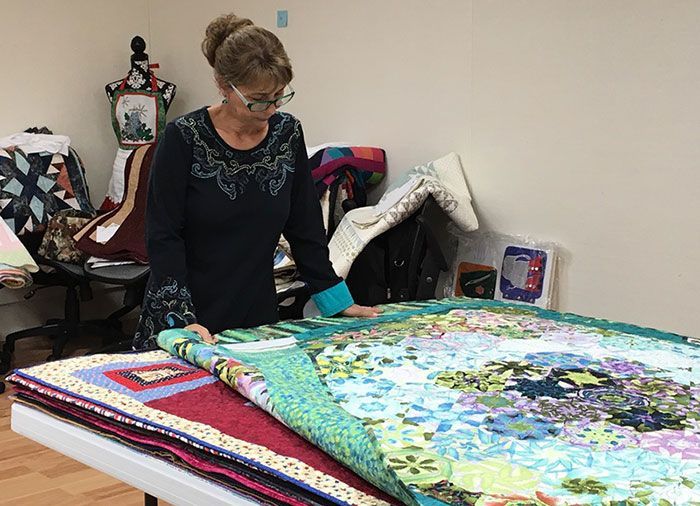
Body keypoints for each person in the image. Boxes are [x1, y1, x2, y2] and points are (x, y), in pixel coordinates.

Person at [133, 13, 380, 350]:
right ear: (223, 85)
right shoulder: (184, 138)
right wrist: (182, 318)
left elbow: (304, 226)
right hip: (187, 316)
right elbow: (163, 235)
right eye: (258, 98)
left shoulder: (286, 133)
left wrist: (336, 299)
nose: (270, 108)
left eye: (279, 95)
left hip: (256, 314)